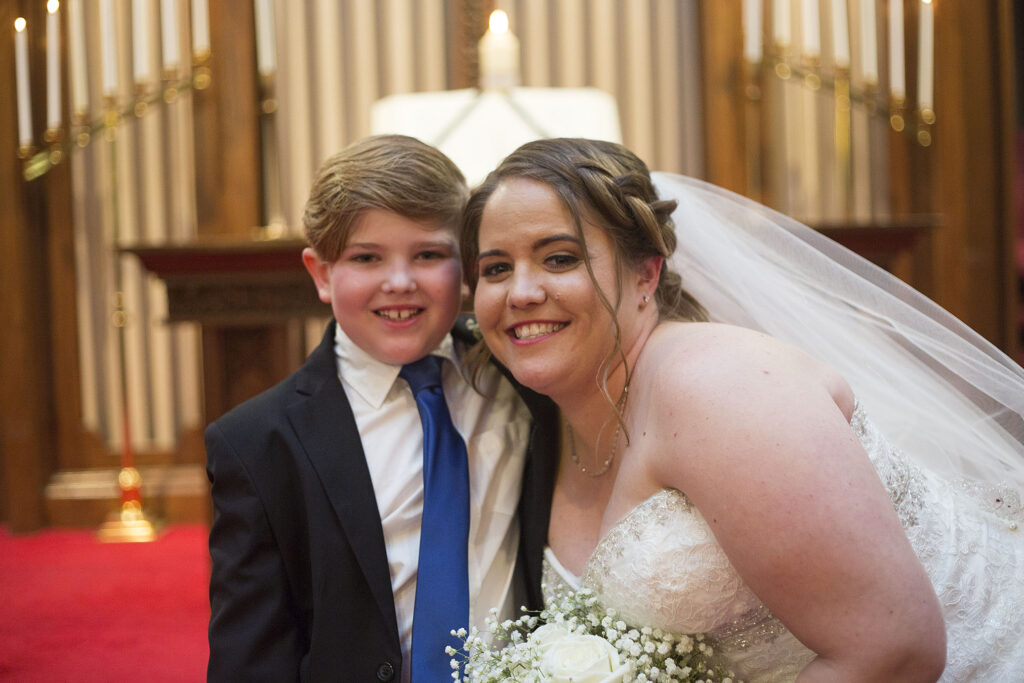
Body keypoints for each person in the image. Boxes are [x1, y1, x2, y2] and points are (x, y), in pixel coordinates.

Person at [460, 137, 1024, 681]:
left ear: (645, 275)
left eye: (559, 259)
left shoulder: (718, 387)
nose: (521, 293)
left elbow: (896, 652)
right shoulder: (540, 420)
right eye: (495, 269)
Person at [205, 134, 558, 682]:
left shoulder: (523, 376)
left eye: (428, 255)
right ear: (321, 274)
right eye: (366, 257)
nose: (400, 282)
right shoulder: (258, 442)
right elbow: (251, 653)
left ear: (465, 267)